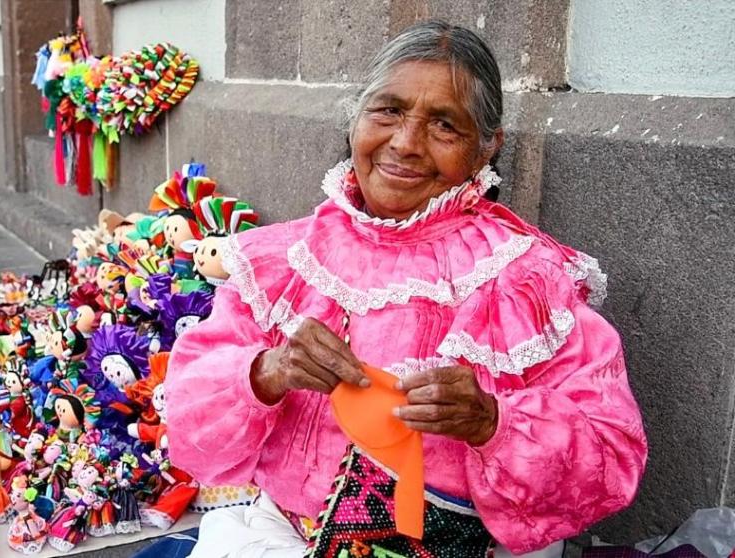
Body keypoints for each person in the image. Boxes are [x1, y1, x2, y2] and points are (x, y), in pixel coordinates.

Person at [163, 21, 648, 558]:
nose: (406, 144)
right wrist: (268, 371)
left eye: (444, 125)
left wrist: (492, 421)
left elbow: (611, 459)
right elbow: (188, 430)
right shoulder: (282, 261)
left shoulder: (529, 278)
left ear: (487, 148)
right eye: (388, 110)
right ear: (355, 118)